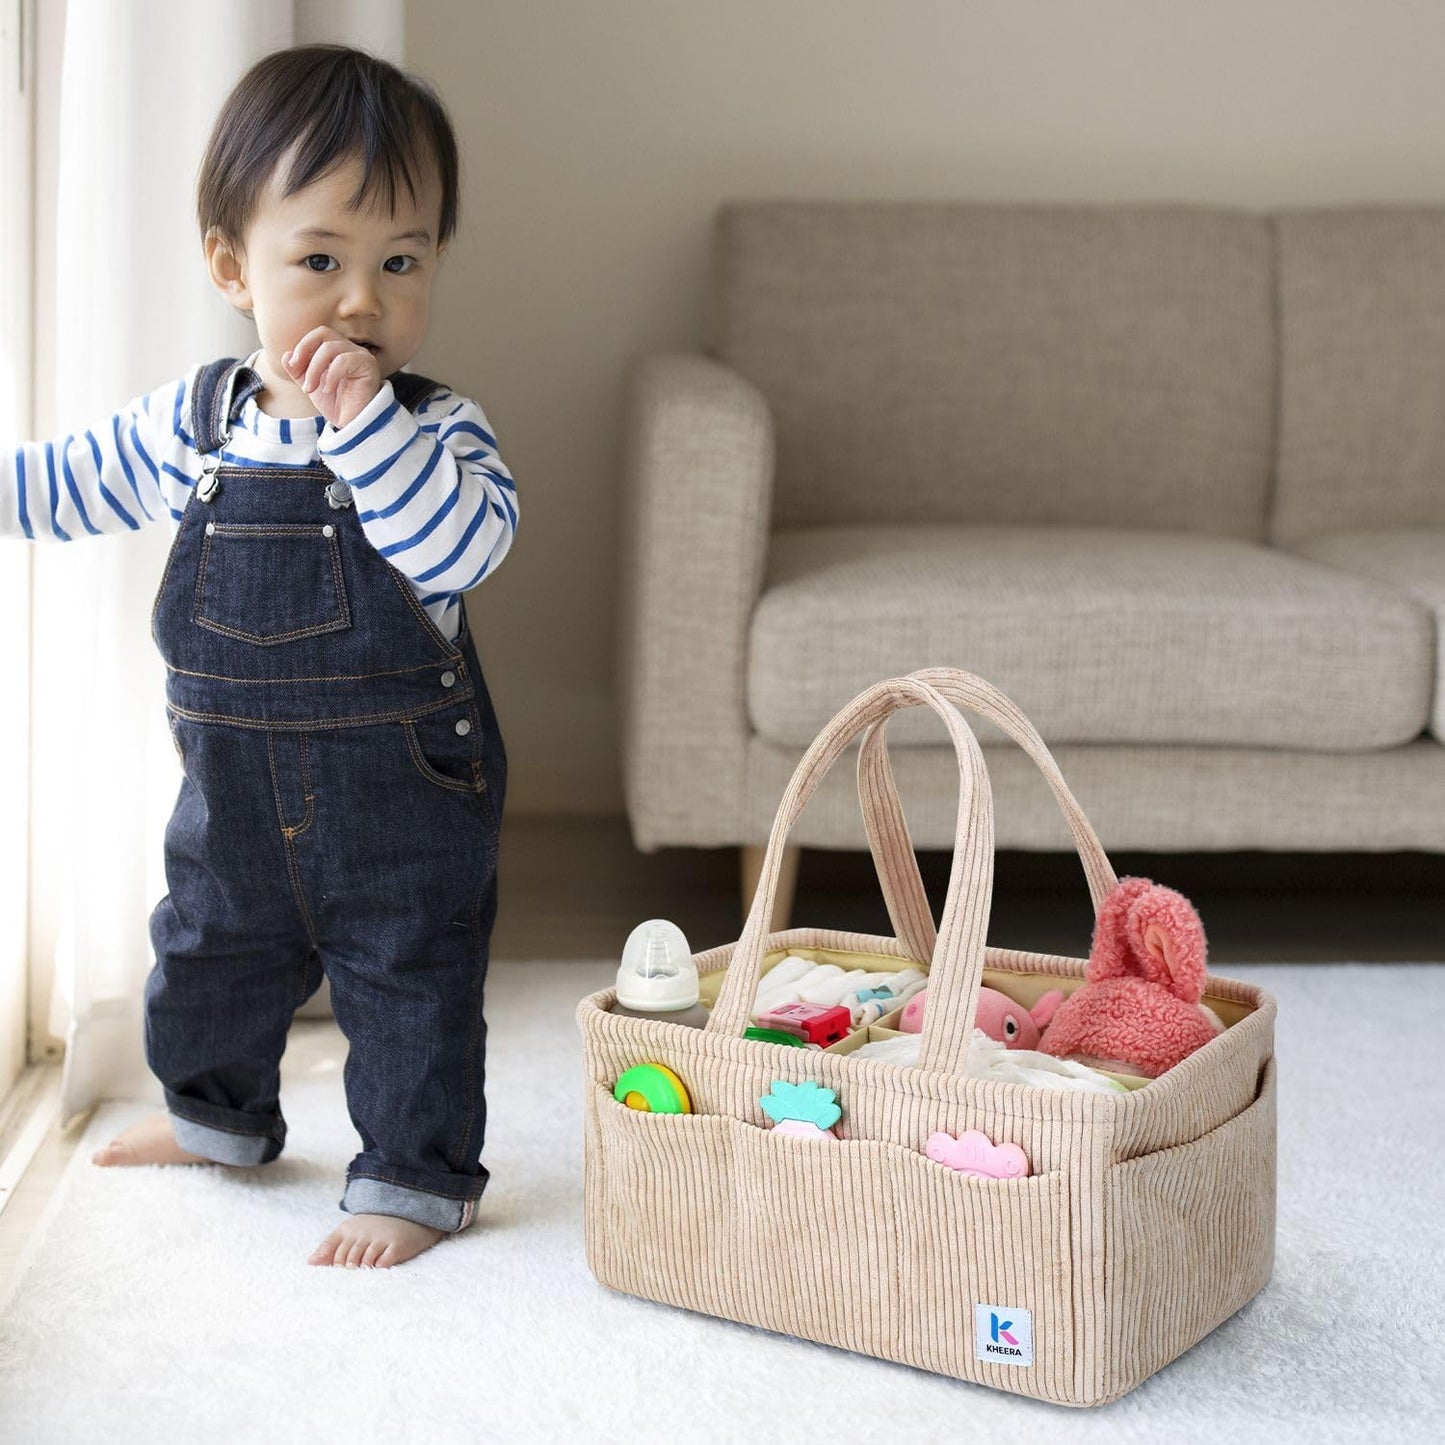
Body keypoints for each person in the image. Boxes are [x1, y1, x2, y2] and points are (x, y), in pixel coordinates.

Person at [0, 45, 518, 1269]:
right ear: (235, 267)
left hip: (404, 805)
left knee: (410, 981)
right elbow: (66, 484)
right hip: (231, 793)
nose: (362, 302)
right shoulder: (195, 422)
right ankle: (214, 1118)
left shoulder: (438, 431)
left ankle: (412, 1176)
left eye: (401, 262)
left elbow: (459, 547)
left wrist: (366, 427)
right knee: (205, 953)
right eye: (321, 262)